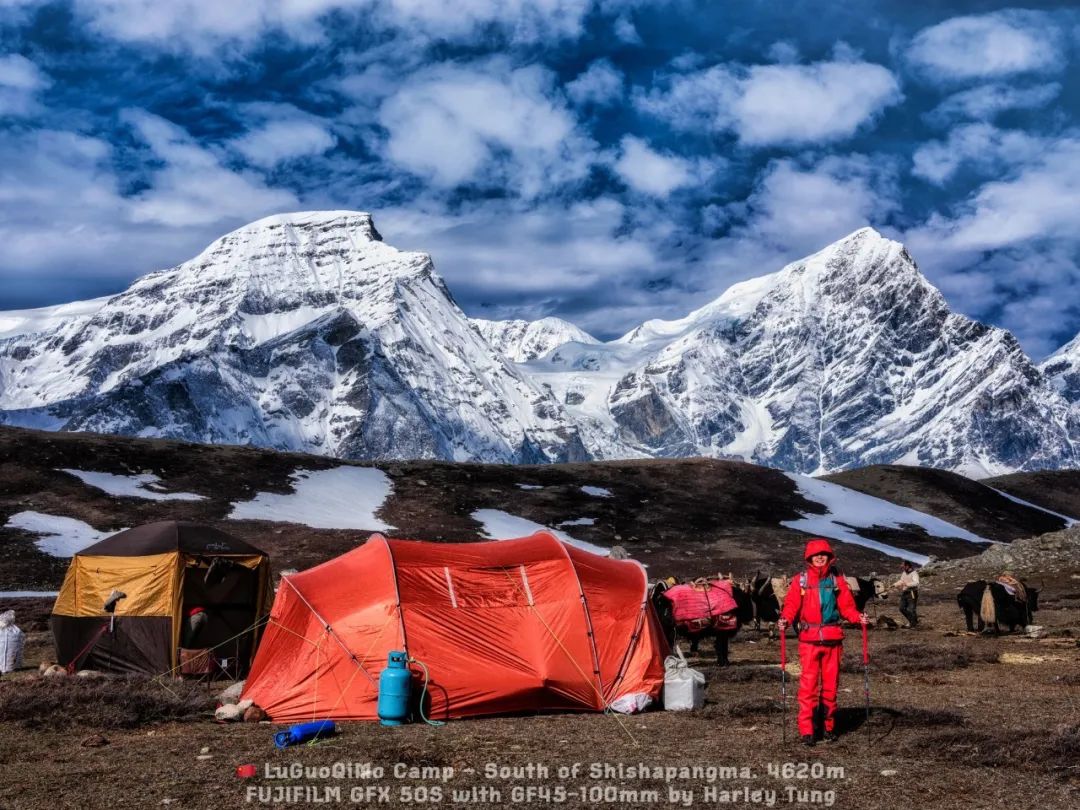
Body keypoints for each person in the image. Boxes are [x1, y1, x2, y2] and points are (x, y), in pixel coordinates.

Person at [777, 538, 869, 746]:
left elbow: (847, 607)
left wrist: (857, 618)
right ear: (809, 558)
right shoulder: (800, 580)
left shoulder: (837, 581)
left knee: (830, 687)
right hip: (809, 641)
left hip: (833, 641)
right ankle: (807, 731)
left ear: (829, 557)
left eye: (823, 554)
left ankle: (828, 727)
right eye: (815, 555)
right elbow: (791, 606)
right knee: (808, 687)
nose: (819, 558)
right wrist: (785, 619)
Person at [894, 560, 920, 628]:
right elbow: (901, 581)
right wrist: (895, 584)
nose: (902, 568)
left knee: (911, 609)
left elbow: (916, 582)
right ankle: (913, 621)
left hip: (912, 593)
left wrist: (907, 584)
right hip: (905, 592)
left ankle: (913, 623)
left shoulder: (914, 573)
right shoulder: (904, 573)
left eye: (903, 566)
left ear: (907, 566)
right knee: (901, 608)